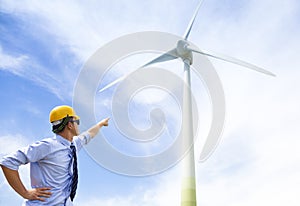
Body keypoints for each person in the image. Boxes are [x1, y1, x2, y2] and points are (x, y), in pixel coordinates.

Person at [0, 105, 109, 205]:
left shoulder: (73, 145)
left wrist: (101, 124)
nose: (78, 124)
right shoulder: (48, 146)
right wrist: (25, 193)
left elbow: (88, 135)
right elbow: (8, 162)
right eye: (77, 121)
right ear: (70, 125)